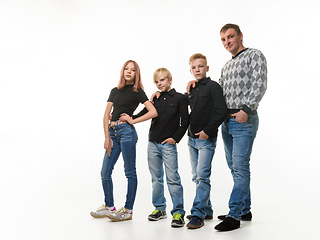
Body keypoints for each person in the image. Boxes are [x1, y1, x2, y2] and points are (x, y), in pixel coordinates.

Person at [213, 24, 268, 231]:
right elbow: (218, 91)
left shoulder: (254, 55)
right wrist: (197, 83)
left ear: (240, 36)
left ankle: (234, 215)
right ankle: (245, 209)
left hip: (244, 119)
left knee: (240, 167)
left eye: (230, 37)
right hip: (226, 122)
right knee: (235, 167)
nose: (227, 42)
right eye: (223, 39)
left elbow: (260, 83)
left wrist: (246, 108)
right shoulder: (226, 66)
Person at [90, 60, 157, 221]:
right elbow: (106, 114)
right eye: (126, 69)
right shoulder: (115, 91)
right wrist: (107, 137)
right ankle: (109, 206)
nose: (128, 72)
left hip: (127, 133)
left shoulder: (138, 91)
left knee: (130, 172)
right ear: (122, 71)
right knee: (105, 172)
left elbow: (153, 111)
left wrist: (133, 120)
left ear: (136, 74)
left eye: (132, 70)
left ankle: (128, 210)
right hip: (112, 133)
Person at [135, 68, 189, 227]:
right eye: (157, 82)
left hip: (168, 145)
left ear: (170, 80)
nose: (159, 84)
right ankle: (159, 208)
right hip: (152, 143)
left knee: (173, 178)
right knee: (156, 178)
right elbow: (143, 114)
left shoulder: (180, 98)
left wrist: (175, 139)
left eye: (162, 80)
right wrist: (129, 118)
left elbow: (185, 122)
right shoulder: (155, 99)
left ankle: (178, 212)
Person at [185, 53, 227, 229]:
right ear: (191, 70)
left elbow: (221, 111)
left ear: (207, 68)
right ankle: (207, 209)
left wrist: (207, 132)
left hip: (206, 140)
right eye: (194, 67)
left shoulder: (213, 87)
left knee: (203, 176)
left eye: (200, 66)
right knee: (196, 176)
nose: (197, 70)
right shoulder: (192, 88)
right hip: (191, 139)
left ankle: (198, 214)